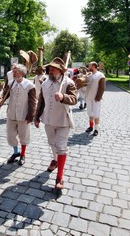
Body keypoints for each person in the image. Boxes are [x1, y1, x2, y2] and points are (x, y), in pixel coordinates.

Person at [34, 57, 77, 190]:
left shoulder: (69, 83)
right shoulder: (45, 82)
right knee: (52, 143)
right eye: (50, 68)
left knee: (61, 147)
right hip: (48, 119)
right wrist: (36, 117)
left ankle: (59, 177)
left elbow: (75, 99)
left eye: (53, 68)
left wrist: (63, 97)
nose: (50, 70)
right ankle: (55, 160)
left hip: (63, 120)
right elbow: (41, 101)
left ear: (60, 70)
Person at [0, 64, 37, 166]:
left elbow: (33, 102)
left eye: (15, 72)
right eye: (13, 71)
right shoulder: (10, 83)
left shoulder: (30, 85)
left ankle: (22, 154)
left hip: (23, 115)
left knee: (23, 136)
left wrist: (30, 115)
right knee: (10, 135)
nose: (13, 73)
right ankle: (16, 152)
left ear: (22, 73)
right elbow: (4, 95)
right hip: (11, 114)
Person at [85, 62, 106, 136]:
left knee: (96, 114)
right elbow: (84, 82)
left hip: (95, 98)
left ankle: (96, 129)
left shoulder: (100, 75)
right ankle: (91, 126)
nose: (88, 67)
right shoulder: (90, 75)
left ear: (93, 66)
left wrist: (98, 97)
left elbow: (102, 88)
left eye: (89, 66)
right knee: (90, 113)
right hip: (88, 97)